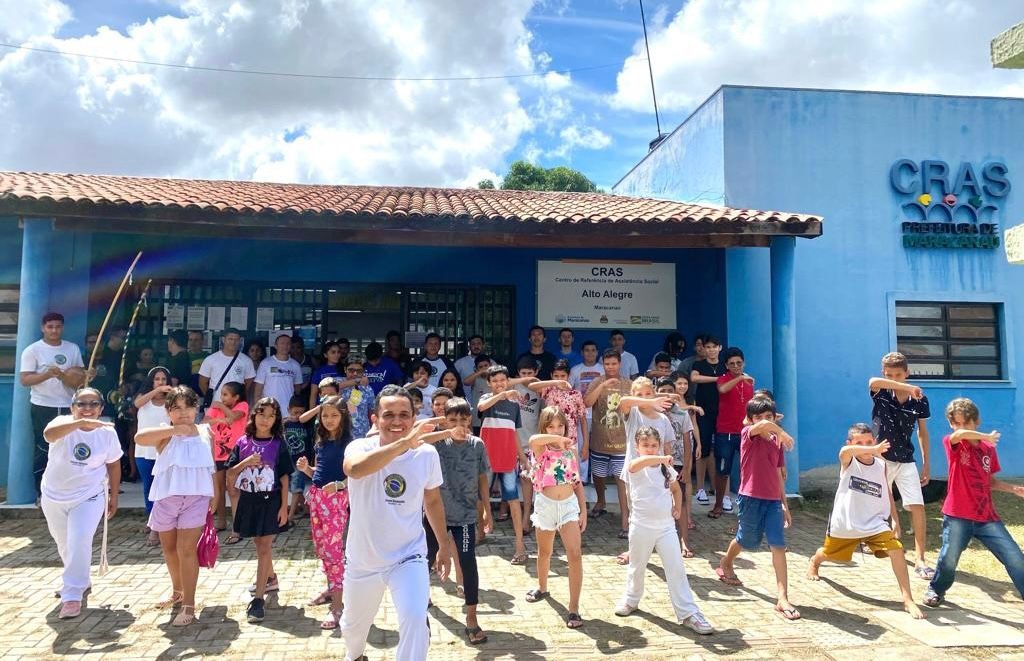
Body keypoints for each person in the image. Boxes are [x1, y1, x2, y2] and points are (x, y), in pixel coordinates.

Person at [340, 385, 450, 661]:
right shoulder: (359, 447)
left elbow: (433, 501)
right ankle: (355, 655)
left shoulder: (426, 455)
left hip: (408, 556)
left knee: (415, 618)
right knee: (352, 629)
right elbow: (355, 470)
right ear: (375, 418)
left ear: (414, 418)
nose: (397, 422)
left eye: (404, 415)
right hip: (363, 560)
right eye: (389, 415)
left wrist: (444, 546)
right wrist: (404, 444)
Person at [807, 423, 923, 619]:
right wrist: (872, 449)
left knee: (896, 549)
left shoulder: (881, 464)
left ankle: (907, 599)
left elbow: (886, 491)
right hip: (847, 525)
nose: (866, 446)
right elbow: (845, 451)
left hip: (875, 524)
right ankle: (815, 562)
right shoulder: (848, 460)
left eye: (870, 442)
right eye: (860, 443)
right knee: (828, 553)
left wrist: (894, 519)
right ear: (851, 443)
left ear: (875, 440)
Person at [924, 398, 1024, 607]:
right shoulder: (953, 443)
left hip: (986, 517)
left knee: (1015, 557)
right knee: (948, 559)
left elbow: (989, 480)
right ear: (951, 425)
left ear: (976, 421)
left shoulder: (988, 448)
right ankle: (936, 590)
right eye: (956, 423)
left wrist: (1013, 489)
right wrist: (984, 435)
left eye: (965, 423)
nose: (960, 428)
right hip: (957, 515)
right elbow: (959, 435)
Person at [615, 426, 714, 634]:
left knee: (676, 568)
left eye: (654, 445)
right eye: (646, 446)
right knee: (637, 566)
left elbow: (676, 490)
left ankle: (688, 613)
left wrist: (677, 507)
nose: (650, 449)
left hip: (666, 528)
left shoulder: (665, 468)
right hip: (641, 526)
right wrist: (660, 458)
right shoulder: (635, 465)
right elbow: (637, 463)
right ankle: (631, 600)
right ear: (637, 446)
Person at [134, 385, 215, 627]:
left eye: (188, 406)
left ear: (196, 408)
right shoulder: (164, 432)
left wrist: (215, 498)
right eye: (176, 408)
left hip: (196, 499)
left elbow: (211, 467)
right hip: (166, 499)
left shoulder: (205, 431)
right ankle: (177, 591)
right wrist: (173, 429)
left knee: (187, 550)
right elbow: (140, 438)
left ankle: (189, 604)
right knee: (169, 548)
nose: (183, 413)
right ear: (168, 411)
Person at [39, 387, 121, 620]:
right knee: (64, 543)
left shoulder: (107, 432)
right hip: (53, 495)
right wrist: (79, 424)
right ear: (72, 407)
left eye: (93, 404)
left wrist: (113, 496)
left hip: (89, 495)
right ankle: (80, 580)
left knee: (79, 539)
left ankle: (72, 594)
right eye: (81, 404)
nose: (87, 409)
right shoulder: (62, 423)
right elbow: (48, 435)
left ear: (101, 408)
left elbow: (113, 465)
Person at [716, 397, 799, 620]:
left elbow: (779, 474)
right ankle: (726, 562)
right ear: (750, 420)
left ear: (774, 417)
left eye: (769, 416)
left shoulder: (777, 440)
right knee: (746, 540)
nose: (764, 421)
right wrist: (779, 430)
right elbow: (761, 427)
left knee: (778, 545)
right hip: (750, 498)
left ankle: (782, 598)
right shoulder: (747, 435)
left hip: (773, 501)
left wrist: (784, 504)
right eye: (758, 417)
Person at [423, 397, 492, 645]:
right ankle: (422, 604)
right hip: (435, 515)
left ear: (470, 420)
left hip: (464, 515)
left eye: (463, 420)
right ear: (444, 421)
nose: (458, 425)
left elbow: (483, 477)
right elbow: (416, 440)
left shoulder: (477, 445)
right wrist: (443, 431)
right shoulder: (436, 445)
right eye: (452, 420)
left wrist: (486, 510)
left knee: (468, 561)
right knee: (426, 559)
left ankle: (471, 617)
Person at [226, 397, 294, 623]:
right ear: (254, 415)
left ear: (276, 419)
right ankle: (271, 577)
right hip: (249, 500)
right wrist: (246, 462)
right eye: (262, 414)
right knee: (259, 544)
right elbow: (230, 473)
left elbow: (284, 477)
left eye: (271, 416)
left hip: (271, 501)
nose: (266, 420)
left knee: (265, 546)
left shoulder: (278, 444)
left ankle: (258, 600)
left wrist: (284, 507)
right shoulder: (242, 442)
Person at [869, 351, 934, 579]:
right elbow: (873, 382)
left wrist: (926, 465)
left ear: (907, 373)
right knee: (881, 501)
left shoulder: (920, 400)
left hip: (906, 458)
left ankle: (921, 559)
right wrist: (906, 388)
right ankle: (886, 534)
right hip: (881, 456)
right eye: (890, 374)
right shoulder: (881, 392)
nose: (895, 378)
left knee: (917, 505)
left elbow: (923, 433)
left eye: (899, 374)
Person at [294, 395, 354, 629]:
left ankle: (338, 607)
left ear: (343, 417)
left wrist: (340, 485)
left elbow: (359, 475)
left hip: (336, 501)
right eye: (325, 415)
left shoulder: (350, 444)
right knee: (322, 549)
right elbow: (318, 474)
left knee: (334, 552)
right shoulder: (321, 441)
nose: (329, 420)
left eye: (334, 415)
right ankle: (332, 589)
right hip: (317, 499)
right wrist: (305, 469)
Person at [524, 407, 586, 629]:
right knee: (544, 552)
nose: (557, 430)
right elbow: (533, 438)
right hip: (546, 505)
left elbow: (576, 480)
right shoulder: (540, 448)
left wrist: (583, 509)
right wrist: (557, 438)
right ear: (544, 427)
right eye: (551, 426)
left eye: (561, 425)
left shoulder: (571, 450)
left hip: (568, 505)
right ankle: (542, 587)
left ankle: (574, 608)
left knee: (575, 554)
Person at [21, 312, 89, 497]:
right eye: (50, 327)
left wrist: (84, 376)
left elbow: (78, 378)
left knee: (69, 447)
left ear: (63, 328)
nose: (54, 330)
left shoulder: (72, 348)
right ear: (43, 328)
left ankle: (66, 491)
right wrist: (47, 374)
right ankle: (41, 493)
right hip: (43, 405)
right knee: (44, 447)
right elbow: (25, 379)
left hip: (68, 405)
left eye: (58, 326)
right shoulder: (33, 350)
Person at [477, 364, 529, 565]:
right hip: (486, 458)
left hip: (508, 458)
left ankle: (519, 544)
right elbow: (482, 408)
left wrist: (522, 458)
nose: (499, 384)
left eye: (502, 380)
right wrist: (502, 395)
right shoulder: (485, 399)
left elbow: (514, 433)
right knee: (481, 497)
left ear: (507, 381)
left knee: (513, 499)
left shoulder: (515, 405)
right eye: (495, 381)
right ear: (489, 383)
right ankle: (480, 532)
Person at [584, 349, 632, 536]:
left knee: (621, 481)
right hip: (599, 440)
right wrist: (602, 387)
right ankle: (601, 501)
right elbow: (587, 402)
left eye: (614, 363)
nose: (610, 367)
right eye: (607, 364)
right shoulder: (597, 381)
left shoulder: (628, 384)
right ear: (603, 364)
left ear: (620, 364)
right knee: (598, 475)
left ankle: (625, 522)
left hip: (622, 442)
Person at [655, 376, 701, 555]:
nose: (666, 395)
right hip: (655, 463)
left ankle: (684, 541)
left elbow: (688, 443)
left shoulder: (682, 414)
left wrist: (688, 468)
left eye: (669, 391)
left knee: (679, 503)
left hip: (678, 463)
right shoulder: (651, 412)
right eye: (662, 390)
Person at [710, 347, 754, 518]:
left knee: (748, 471)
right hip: (725, 433)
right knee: (723, 470)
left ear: (744, 363)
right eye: (732, 364)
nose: (736, 366)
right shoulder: (722, 379)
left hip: (745, 433)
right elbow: (723, 390)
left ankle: (747, 507)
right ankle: (718, 504)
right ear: (727, 366)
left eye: (739, 363)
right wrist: (740, 378)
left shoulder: (749, 381)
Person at [532, 360, 588, 492]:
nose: (559, 379)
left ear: (568, 376)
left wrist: (586, 444)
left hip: (570, 441)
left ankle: (574, 505)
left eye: (562, 376)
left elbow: (583, 420)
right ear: (551, 375)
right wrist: (554, 383)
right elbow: (532, 385)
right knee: (550, 474)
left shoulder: (576, 395)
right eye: (556, 376)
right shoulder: (548, 390)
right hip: (549, 441)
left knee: (572, 475)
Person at [203, 381, 248, 540]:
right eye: (221, 394)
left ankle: (237, 528)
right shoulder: (214, 409)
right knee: (219, 489)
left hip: (235, 455)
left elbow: (232, 418)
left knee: (233, 490)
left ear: (236, 397)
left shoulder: (242, 406)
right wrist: (219, 417)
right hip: (216, 454)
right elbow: (203, 422)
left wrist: (220, 408)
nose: (221, 397)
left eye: (226, 394)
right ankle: (221, 521)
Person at [133, 367, 173, 543]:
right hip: (143, 451)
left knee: (162, 488)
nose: (161, 382)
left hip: (164, 451)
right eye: (157, 379)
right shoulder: (145, 399)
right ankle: (152, 520)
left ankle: (159, 525)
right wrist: (156, 391)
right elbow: (136, 404)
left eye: (164, 379)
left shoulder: (171, 402)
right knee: (148, 487)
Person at [691, 335, 725, 505]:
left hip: (722, 413)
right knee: (701, 449)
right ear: (704, 349)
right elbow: (694, 378)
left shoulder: (725, 365)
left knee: (721, 451)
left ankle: (722, 492)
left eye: (714, 346)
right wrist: (718, 379)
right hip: (703, 412)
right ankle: (700, 489)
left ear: (720, 347)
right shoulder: (699, 365)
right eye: (708, 347)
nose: (711, 349)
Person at [513, 357, 543, 533]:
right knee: (508, 483)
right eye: (523, 373)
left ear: (536, 373)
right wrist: (523, 380)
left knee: (526, 481)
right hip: (513, 442)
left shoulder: (540, 392)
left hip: (531, 445)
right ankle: (510, 516)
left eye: (530, 373)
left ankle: (526, 519)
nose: (526, 377)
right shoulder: (514, 387)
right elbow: (505, 381)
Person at [198, 329, 255, 406]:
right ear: (223, 340)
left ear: (240, 341)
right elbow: (202, 382)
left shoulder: (246, 361)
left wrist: (239, 395)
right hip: (216, 404)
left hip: (236, 405)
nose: (233, 342)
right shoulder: (210, 359)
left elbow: (249, 382)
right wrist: (211, 397)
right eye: (230, 339)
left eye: (236, 340)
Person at [254, 334, 304, 412]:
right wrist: (257, 408)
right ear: (276, 346)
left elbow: (297, 389)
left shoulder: (295, 365)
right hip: (269, 408)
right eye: (282, 343)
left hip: (288, 409)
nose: (285, 346)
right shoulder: (266, 363)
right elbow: (258, 389)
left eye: (288, 343)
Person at [284, 395, 314, 525]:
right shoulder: (285, 424)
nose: (298, 416)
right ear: (289, 410)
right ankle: (306, 508)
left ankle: (289, 517)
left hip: (301, 461)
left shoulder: (307, 425)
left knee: (297, 487)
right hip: (288, 460)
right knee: (292, 487)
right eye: (295, 412)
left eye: (302, 413)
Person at [290, 335, 315, 401]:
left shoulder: (311, 360)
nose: (295, 350)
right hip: (291, 395)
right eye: (292, 347)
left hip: (308, 395)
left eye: (298, 347)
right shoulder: (286, 361)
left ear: (303, 347)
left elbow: (315, 378)